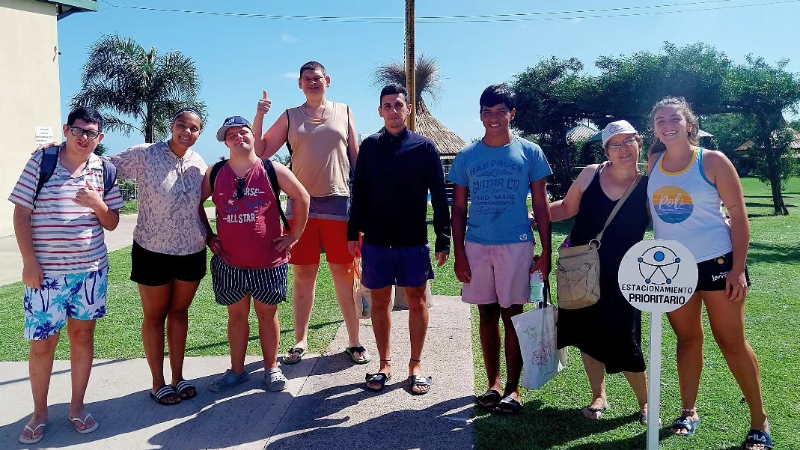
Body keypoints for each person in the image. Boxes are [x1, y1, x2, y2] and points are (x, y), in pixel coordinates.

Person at [647, 97, 771, 449]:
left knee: (730, 342)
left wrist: (737, 269)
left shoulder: (712, 160)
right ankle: (688, 411)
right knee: (687, 340)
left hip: (718, 263)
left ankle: (759, 420)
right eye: (659, 120)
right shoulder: (654, 162)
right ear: (654, 128)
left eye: (674, 118)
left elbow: (738, 214)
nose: (667, 125)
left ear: (689, 123)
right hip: (671, 269)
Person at [11, 107, 124, 444]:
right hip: (46, 276)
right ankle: (40, 413)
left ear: (100, 137)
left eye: (92, 133)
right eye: (79, 130)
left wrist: (97, 204)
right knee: (42, 346)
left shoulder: (104, 169)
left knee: (82, 338)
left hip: (90, 274)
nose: (84, 137)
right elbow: (21, 212)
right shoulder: (43, 162)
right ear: (66, 130)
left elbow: (113, 222)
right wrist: (29, 261)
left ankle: (77, 407)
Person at [253, 61, 368, 365]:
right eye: (307, 79)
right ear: (300, 84)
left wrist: (365, 205)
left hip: (339, 204)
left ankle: (354, 341)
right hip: (301, 208)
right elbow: (261, 151)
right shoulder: (290, 116)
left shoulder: (344, 111)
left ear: (327, 80)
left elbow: (356, 159)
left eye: (317, 78)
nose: (313, 82)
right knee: (304, 275)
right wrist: (259, 116)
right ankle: (301, 340)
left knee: (344, 275)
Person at [449, 84, 552, 414]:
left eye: (500, 111)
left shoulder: (530, 152)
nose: (493, 118)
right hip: (477, 247)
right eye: (486, 112)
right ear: (480, 115)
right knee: (486, 315)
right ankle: (493, 384)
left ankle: (512, 388)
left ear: (512, 114)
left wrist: (547, 252)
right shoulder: (467, 157)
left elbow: (541, 203)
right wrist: (460, 254)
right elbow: (459, 209)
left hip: (516, 245)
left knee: (513, 316)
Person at [347, 84, 450, 394]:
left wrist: (444, 239)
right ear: (380, 111)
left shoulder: (425, 148)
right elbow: (360, 192)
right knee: (380, 303)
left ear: (409, 110)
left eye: (398, 105)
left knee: (417, 302)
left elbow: (439, 197)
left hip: (413, 241)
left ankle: (415, 364)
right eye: (387, 105)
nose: (393, 110)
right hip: (377, 241)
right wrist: (353, 233)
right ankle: (384, 363)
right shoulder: (370, 147)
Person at [550, 120, 652, 424]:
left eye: (628, 141)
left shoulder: (650, 183)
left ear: (639, 143)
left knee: (624, 337)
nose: (623, 149)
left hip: (625, 276)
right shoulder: (591, 174)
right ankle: (599, 395)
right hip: (580, 269)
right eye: (615, 144)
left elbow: (672, 217)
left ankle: (646, 403)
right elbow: (567, 208)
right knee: (585, 333)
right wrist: (535, 215)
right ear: (606, 149)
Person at [107, 108, 209, 405]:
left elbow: (200, 206)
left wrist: (211, 236)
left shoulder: (200, 165)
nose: (186, 132)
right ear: (172, 126)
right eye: (181, 125)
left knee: (179, 314)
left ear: (199, 133)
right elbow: (103, 169)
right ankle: (157, 382)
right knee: (154, 317)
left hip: (191, 250)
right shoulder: (145, 154)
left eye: (193, 128)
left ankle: (178, 377)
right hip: (151, 250)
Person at [201, 116, 309, 392]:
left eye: (243, 132)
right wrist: (208, 234)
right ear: (225, 142)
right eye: (231, 135)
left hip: (268, 260)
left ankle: (271, 368)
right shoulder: (215, 172)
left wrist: (294, 235)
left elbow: (302, 197)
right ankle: (237, 371)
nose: (239, 137)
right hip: (229, 261)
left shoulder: (272, 168)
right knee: (236, 317)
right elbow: (196, 204)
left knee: (267, 315)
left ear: (252, 136)